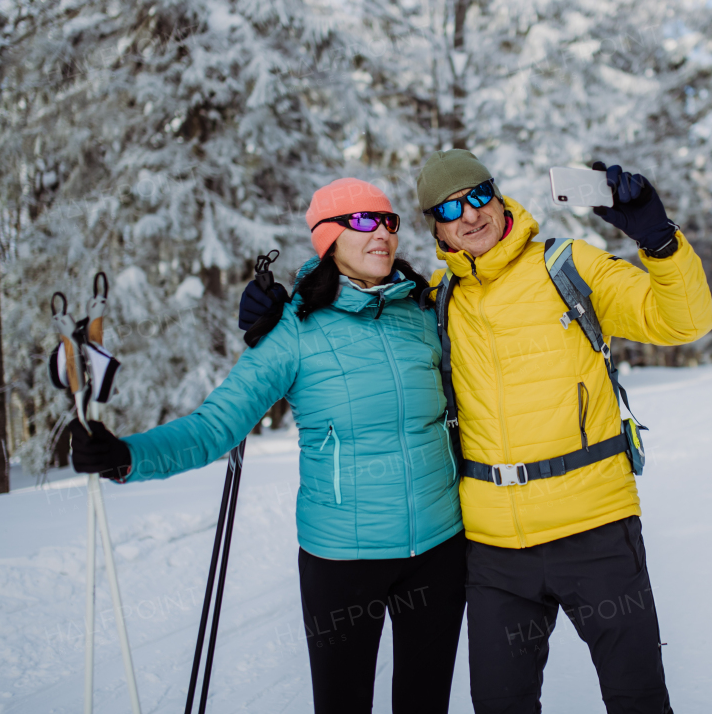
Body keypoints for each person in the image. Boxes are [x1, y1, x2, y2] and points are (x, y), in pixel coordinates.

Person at [70, 178, 466, 714]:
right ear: (328, 238)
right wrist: (129, 456)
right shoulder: (293, 330)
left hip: (439, 548)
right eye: (365, 222)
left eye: (390, 221)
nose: (385, 234)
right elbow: (218, 424)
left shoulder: (422, 313)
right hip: (343, 560)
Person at [414, 150, 712, 714]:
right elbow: (359, 337)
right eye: (450, 208)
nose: (470, 215)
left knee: (637, 700)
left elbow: (685, 322)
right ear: (435, 225)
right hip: (495, 553)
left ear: (498, 196)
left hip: (595, 529)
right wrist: (293, 307)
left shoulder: (567, 266)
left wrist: (658, 238)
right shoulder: (437, 301)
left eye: (479, 196)